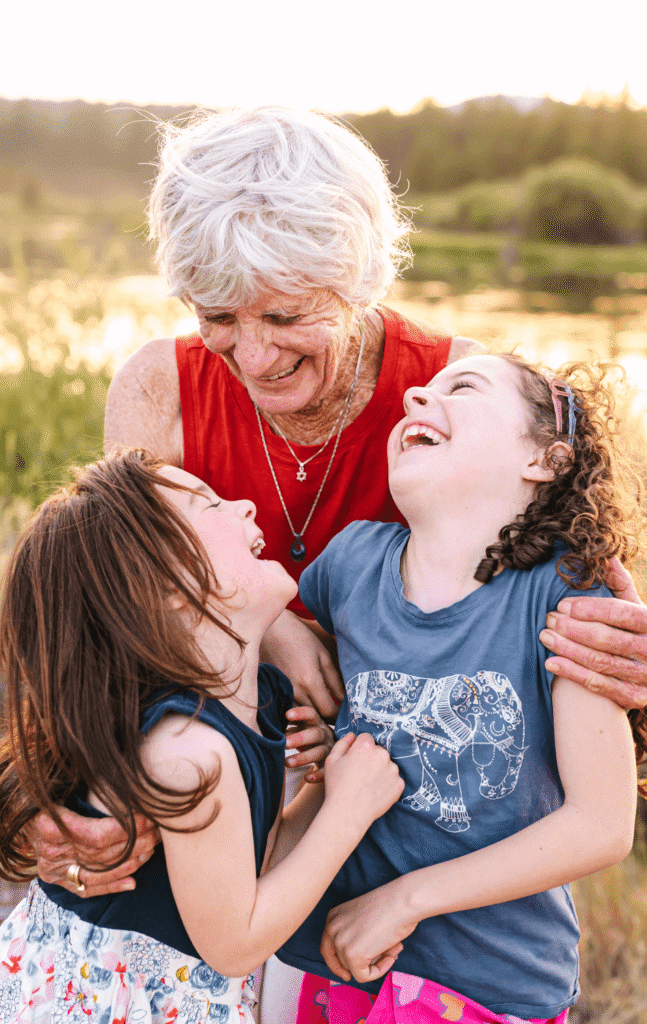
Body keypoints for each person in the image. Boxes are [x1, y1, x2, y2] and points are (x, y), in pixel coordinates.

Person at [31, 105, 646, 939]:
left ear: (357, 281)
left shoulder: (457, 403)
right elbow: (100, 623)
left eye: (284, 317)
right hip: (214, 801)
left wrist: (621, 648)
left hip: (403, 830)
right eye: (216, 316)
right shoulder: (157, 391)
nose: (251, 356)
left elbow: (575, 604)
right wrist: (53, 786)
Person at [0, 449, 404, 1024]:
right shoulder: (186, 750)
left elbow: (253, 866)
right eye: (210, 505)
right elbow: (235, 945)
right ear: (168, 583)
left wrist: (326, 788)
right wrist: (348, 811)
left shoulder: (258, 698)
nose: (245, 505)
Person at [273, 354, 646, 1023]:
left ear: (545, 460)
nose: (416, 394)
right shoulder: (350, 564)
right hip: (330, 957)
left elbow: (599, 826)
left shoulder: (561, 597)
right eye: (421, 390)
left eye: (462, 387)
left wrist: (402, 900)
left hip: (485, 978)